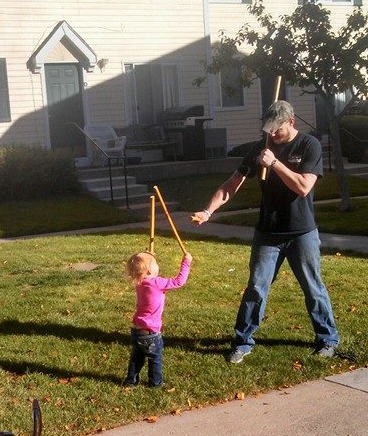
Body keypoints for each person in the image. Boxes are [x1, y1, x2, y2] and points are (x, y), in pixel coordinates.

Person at [191, 100, 338, 363]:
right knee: (256, 287)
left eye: (276, 129)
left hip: (301, 231)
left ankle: (327, 339)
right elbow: (231, 184)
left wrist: (276, 165)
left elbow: (304, 187)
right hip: (268, 232)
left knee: (312, 287)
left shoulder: (309, 145)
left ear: (291, 122)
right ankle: (243, 341)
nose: (271, 135)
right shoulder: (262, 147)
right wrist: (208, 211)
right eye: (267, 129)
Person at [122, 251, 192, 386]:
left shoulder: (139, 282)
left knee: (137, 357)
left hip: (137, 330)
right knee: (155, 358)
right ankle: (155, 382)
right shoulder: (157, 283)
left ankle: (130, 381)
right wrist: (186, 262)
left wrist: (149, 257)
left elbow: (143, 269)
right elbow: (179, 281)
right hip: (151, 332)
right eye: (155, 263)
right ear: (148, 270)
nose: (157, 264)